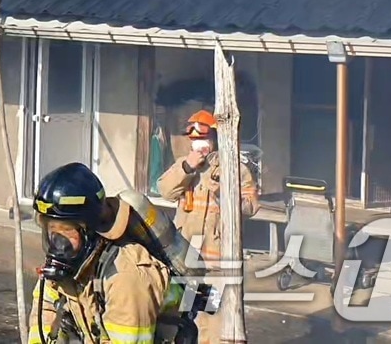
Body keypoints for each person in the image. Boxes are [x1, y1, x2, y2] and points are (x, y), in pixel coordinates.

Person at [28, 162, 197, 344]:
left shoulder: (126, 275)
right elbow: (46, 314)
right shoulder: (70, 265)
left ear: (91, 231)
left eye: (67, 230)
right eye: (51, 230)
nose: (58, 244)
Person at [155, 109, 259, 344]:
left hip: (215, 268)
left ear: (215, 138)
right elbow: (165, 190)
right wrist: (187, 168)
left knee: (211, 322)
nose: (198, 143)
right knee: (180, 318)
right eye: (194, 139)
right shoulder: (185, 165)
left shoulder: (236, 169)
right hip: (184, 261)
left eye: (203, 137)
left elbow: (251, 206)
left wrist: (225, 191)